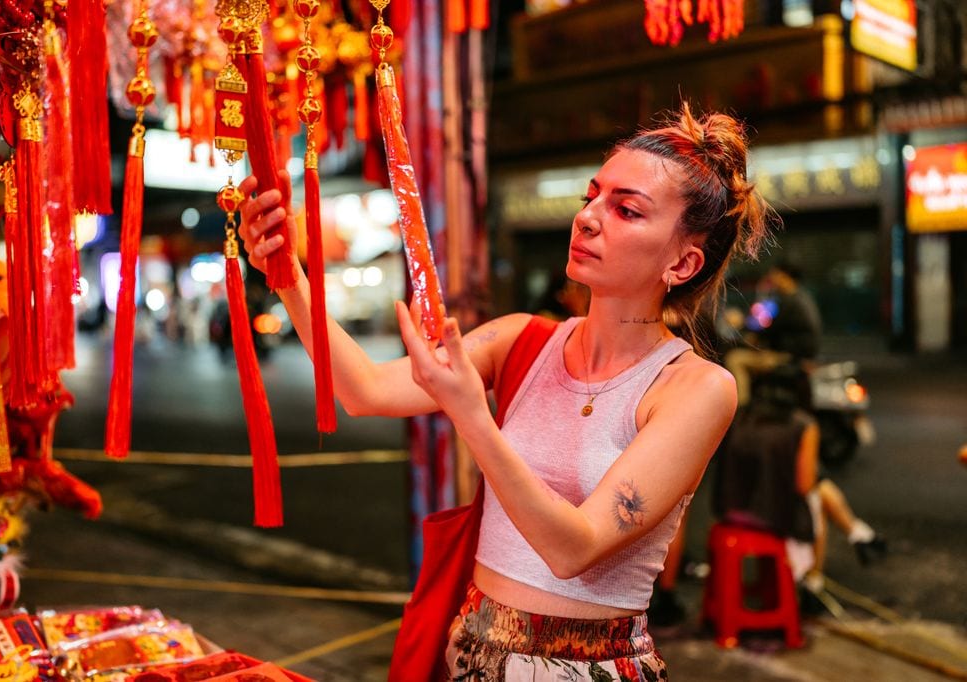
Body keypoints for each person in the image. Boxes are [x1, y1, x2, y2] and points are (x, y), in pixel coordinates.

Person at [238, 102, 771, 680]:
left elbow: (574, 548)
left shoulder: (695, 387)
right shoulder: (523, 338)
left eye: (626, 210)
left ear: (683, 261)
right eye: (590, 197)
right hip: (471, 653)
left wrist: (472, 414)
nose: (588, 217)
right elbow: (365, 390)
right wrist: (287, 273)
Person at [713, 366, 886, 607]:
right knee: (816, 501)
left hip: (729, 509)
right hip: (768, 516)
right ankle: (813, 584)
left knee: (819, 492)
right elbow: (804, 486)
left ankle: (859, 534)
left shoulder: (740, 416)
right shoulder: (801, 424)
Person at [724, 259, 822, 406]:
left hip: (787, 357)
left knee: (735, 359)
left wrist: (741, 323)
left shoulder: (789, 301)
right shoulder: (798, 298)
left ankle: (741, 409)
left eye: (774, 273)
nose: (771, 277)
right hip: (793, 354)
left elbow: (765, 325)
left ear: (783, 276)